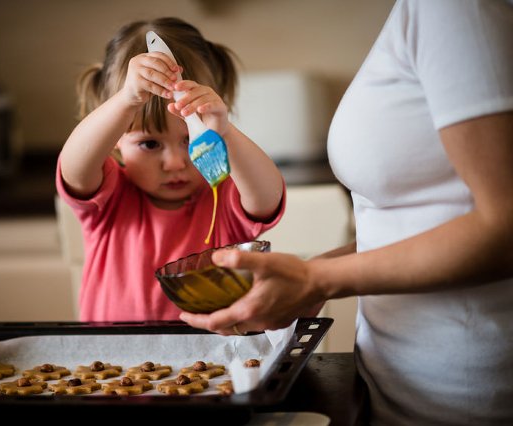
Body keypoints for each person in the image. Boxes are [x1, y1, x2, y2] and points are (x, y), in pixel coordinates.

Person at [180, 1, 513, 425]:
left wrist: (316, 280)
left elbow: (504, 227)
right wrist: (315, 274)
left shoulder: (457, 8)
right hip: (395, 385)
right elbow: (430, 222)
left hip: (462, 396)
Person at [56, 17, 285, 323]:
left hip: (216, 366)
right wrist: (126, 101)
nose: (176, 163)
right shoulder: (108, 199)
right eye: (150, 144)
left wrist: (224, 131)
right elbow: (74, 168)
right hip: (110, 366)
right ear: (116, 138)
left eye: (190, 138)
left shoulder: (225, 196)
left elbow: (267, 196)